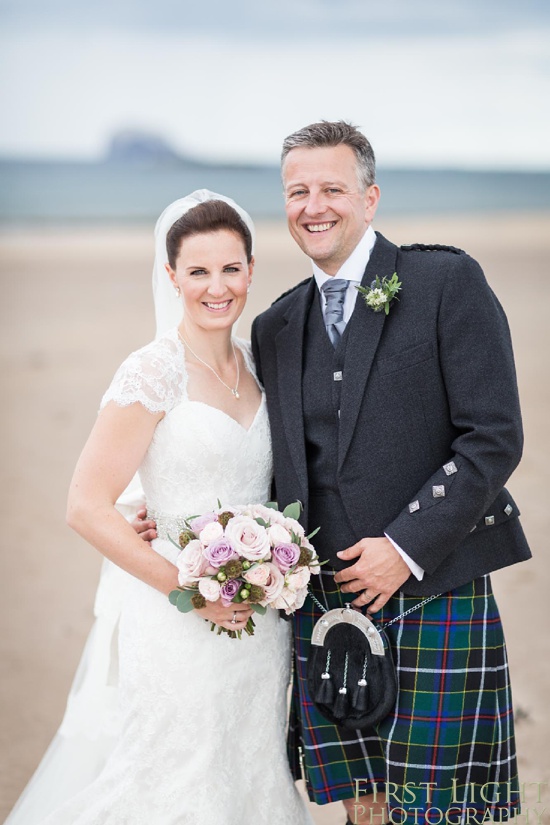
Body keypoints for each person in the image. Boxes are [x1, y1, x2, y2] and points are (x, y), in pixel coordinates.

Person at [248, 121, 531, 825]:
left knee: (434, 808)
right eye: (298, 191)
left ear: (370, 198)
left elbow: (492, 437)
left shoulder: (444, 281)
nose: (314, 206)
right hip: (326, 602)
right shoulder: (276, 326)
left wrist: (402, 548)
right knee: (364, 805)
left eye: (333, 189)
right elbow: (273, 460)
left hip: (437, 584)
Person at [5, 190, 313, 825]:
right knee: (176, 778)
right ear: (171, 276)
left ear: (252, 270)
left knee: (250, 770)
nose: (216, 287)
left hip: (259, 622)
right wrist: (192, 591)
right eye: (197, 271)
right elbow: (85, 506)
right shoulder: (152, 373)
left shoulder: (261, 368)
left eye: (231, 268)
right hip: (177, 616)